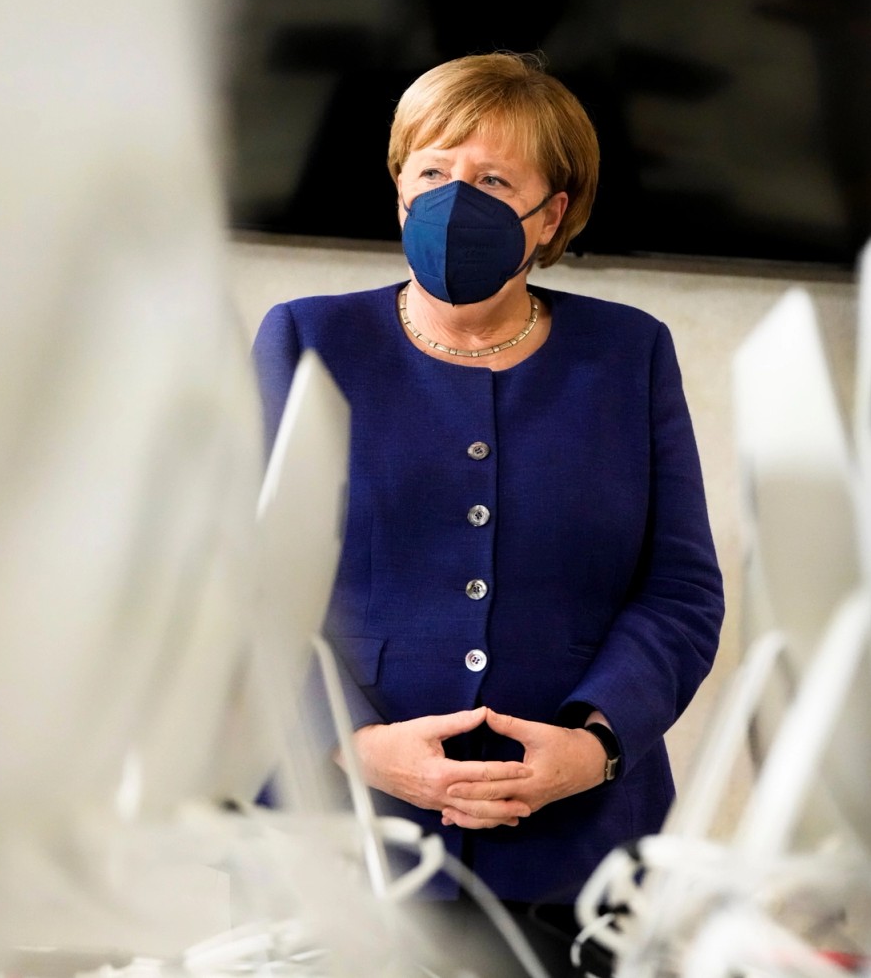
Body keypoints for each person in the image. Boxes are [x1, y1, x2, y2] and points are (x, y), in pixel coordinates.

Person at [252, 52, 724, 973]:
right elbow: (243, 587)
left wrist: (594, 747)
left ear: (551, 214)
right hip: (343, 836)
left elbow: (679, 589)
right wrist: (355, 745)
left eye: (494, 180)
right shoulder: (307, 337)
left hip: (578, 849)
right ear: (399, 189)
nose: (453, 198)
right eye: (431, 170)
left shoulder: (629, 354)